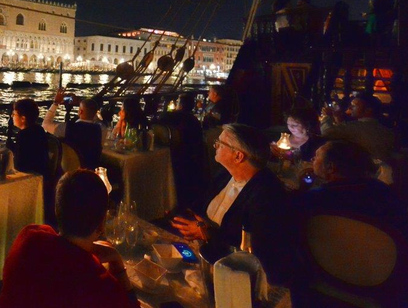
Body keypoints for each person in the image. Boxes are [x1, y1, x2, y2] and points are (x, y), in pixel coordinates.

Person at [0, 169, 142, 308]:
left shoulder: (28, 238)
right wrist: (116, 261)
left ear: (57, 210)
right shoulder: (100, 284)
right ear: (101, 224)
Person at [171, 123, 292, 284]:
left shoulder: (266, 195)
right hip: (202, 251)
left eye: (220, 143)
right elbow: (202, 205)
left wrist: (206, 232)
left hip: (234, 272)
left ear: (238, 156)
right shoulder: (225, 174)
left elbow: (253, 248)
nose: (215, 146)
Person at [299, 140, 407, 233]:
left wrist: (302, 189)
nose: (312, 160)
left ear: (330, 167)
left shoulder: (318, 197)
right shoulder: (382, 189)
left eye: (317, 156)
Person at [157, 93, 208, 208]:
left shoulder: (168, 116)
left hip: (171, 155)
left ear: (179, 104)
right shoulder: (194, 121)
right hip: (189, 158)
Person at [43, 88, 104, 169]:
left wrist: (56, 103)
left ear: (80, 112)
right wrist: (80, 102)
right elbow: (92, 112)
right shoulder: (99, 129)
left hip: (69, 170)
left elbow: (45, 124)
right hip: (91, 171)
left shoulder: (67, 128)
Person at [321, 94, 395, 161]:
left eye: (354, 106)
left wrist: (326, 117)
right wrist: (337, 119)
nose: (350, 107)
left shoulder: (358, 127)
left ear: (368, 110)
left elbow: (327, 132)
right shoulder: (384, 129)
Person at [9, 98, 50, 176]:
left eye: (14, 114)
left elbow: (19, 164)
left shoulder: (23, 135)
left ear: (23, 118)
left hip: (31, 176)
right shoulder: (39, 129)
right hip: (42, 173)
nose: (12, 116)